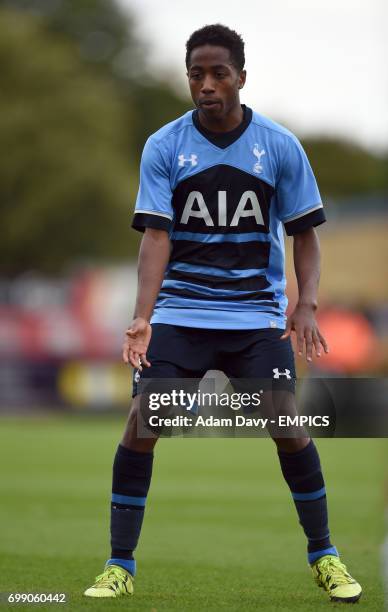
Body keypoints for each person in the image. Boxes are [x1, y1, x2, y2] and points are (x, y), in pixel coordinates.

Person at [84, 24, 362, 603]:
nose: (206, 85)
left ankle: (325, 556)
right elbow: (155, 237)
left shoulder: (279, 145)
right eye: (195, 74)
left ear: (241, 76)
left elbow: (305, 233)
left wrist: (305, 305)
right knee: (143, 424)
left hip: (255, 318)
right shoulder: (164, 145)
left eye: (217, 74)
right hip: (181, 314)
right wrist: (142, 316)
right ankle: (119, 565)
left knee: (286, 422)